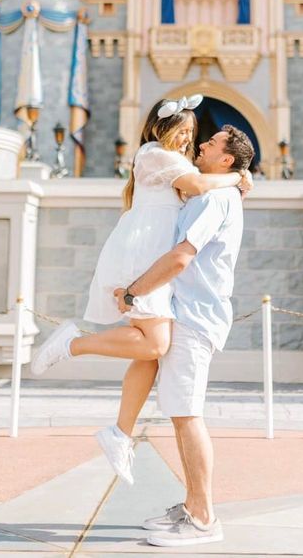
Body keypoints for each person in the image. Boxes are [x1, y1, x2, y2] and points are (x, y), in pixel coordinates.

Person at [30, 97, 252, 486]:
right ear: (160, 129)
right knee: (154, 346)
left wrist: (234, 182)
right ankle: (73, 343)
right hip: (144, 254)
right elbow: (200, 185)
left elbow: (199, 190)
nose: (189, 139)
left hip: (155, 259)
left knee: (150, 353)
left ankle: (120, 433)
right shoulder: (153, 154)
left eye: (192, 133)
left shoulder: (179, 164)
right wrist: (239, 178)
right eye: (181, 131)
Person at [114, 124, 255, 548]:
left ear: (226, 159)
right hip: (185, 314)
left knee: (188, 415)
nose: (202, 144)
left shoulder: (215, 197)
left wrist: (134, 291)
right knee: (180, 413)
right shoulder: (208, 192)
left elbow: (180, 258)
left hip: (195, 318)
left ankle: (204, 518)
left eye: (211, 144)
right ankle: (194, 503)